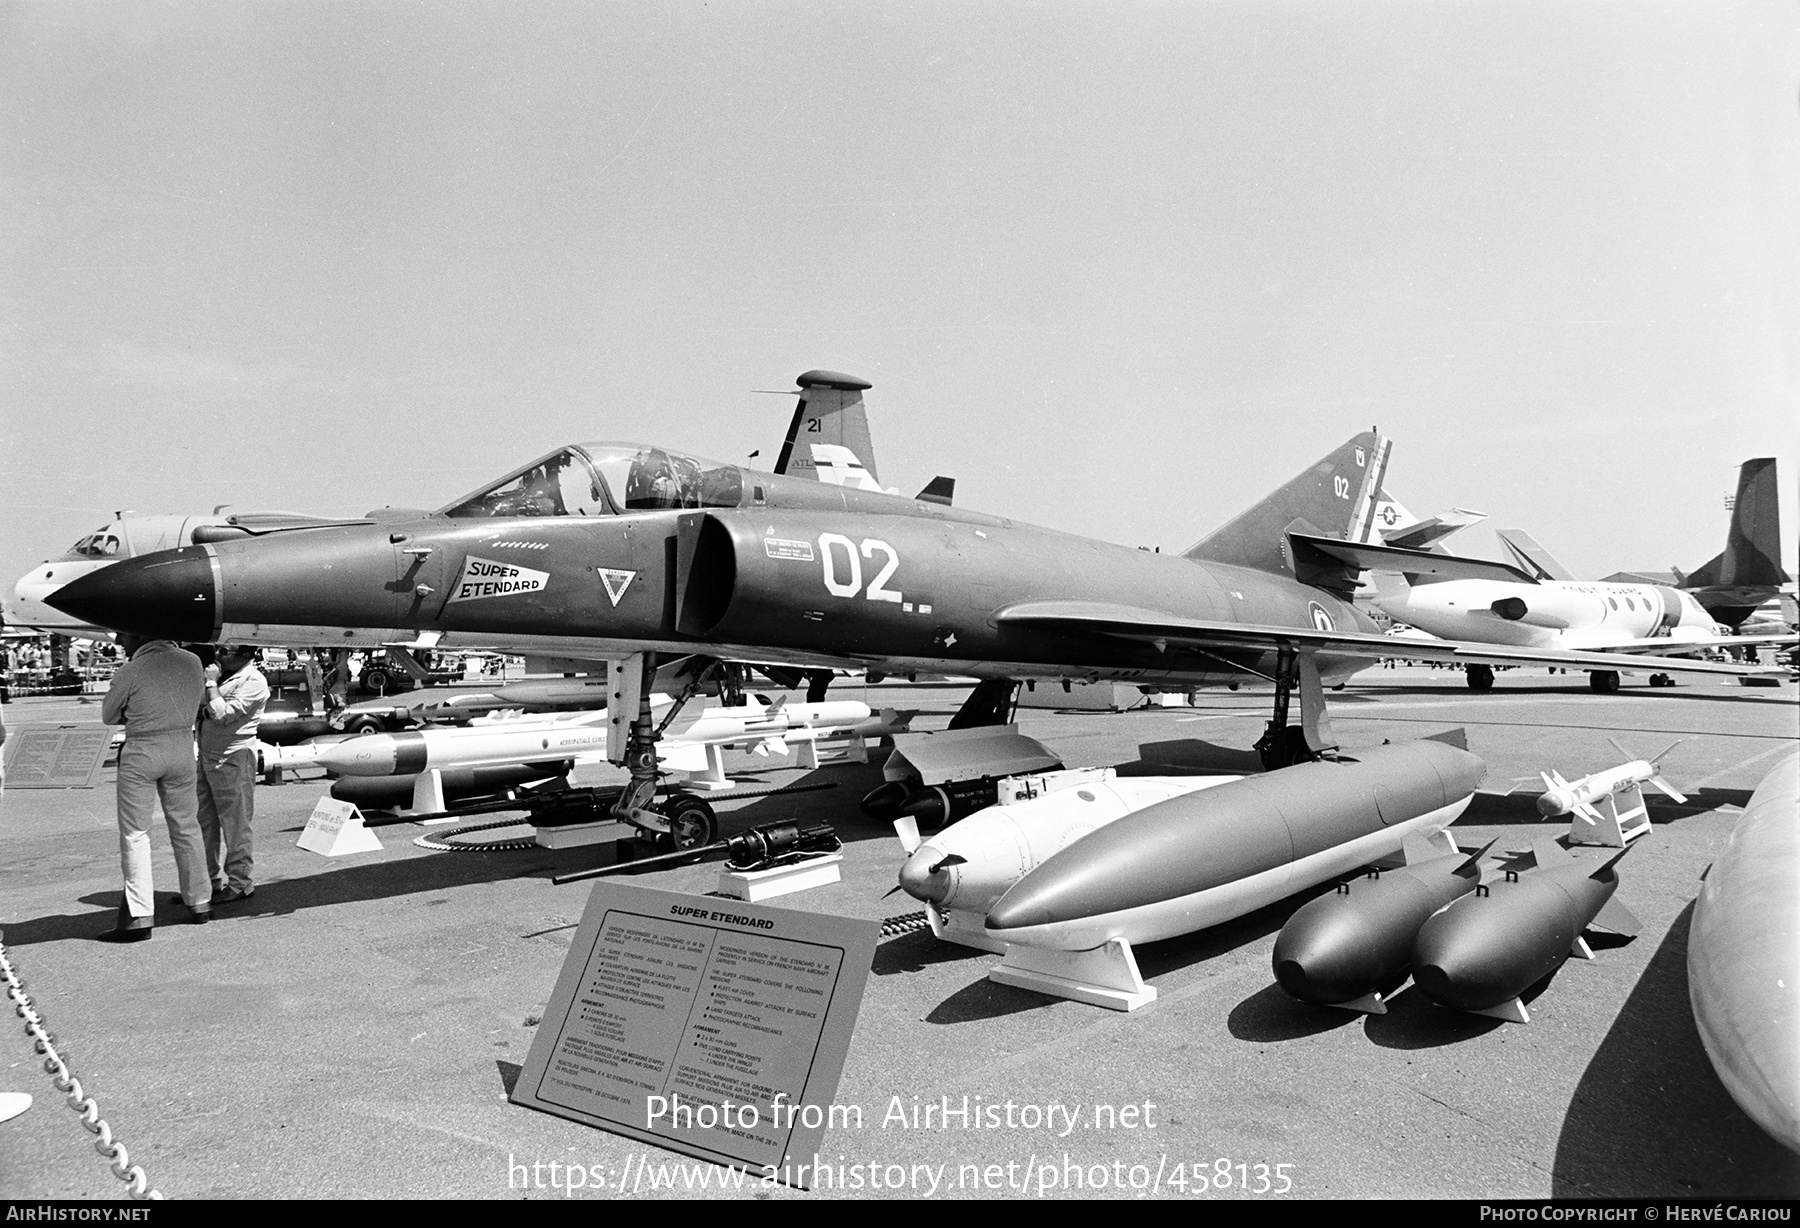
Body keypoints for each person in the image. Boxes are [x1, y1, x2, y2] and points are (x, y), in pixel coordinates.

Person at [99, 635, 209, 941]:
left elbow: (108, 715)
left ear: (140, 633)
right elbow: (199, 701)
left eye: (123, 633)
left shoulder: (132, 669)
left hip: (143, 747)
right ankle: (200, 902)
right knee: (187, 826)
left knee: (136, 833)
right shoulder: (192, 661)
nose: (120, 640)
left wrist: (132, 711)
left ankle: (139, 916)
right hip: (183, 745)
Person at [197, 643, 268, 905]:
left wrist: (211, 684)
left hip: (233, 759)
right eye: (219, 649)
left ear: (246, 657)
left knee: (235, 824)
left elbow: (220, 714)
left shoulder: (254, 681)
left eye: (226, 652)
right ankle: (207, 881)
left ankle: (240, 883)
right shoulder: (223, 677)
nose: (218, 655)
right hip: (207, 757)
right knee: (204, 824)